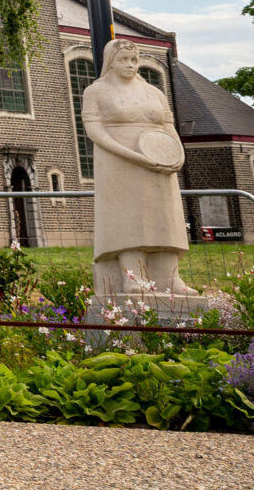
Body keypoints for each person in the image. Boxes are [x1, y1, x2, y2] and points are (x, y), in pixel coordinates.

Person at [80, 38, 195, 300]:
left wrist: (177, 155)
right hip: (120, 164)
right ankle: (133, 277)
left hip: (159, 164)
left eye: (134, 59)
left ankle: (169, 278)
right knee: (128, 219)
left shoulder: (154, 93)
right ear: (111, 62)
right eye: (123, 59)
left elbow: (168, 127)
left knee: (164, 219)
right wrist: (131, 155)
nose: (130, 65)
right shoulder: (96, 91)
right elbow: (94, 130)